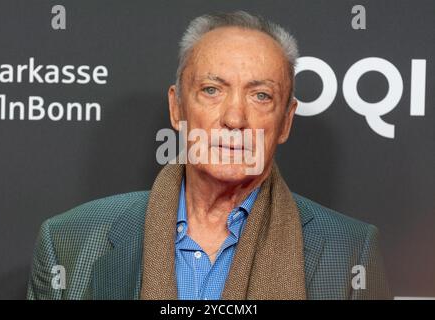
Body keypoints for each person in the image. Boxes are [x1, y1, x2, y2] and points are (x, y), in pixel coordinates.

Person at [27, 11, 390, 300]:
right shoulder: (69, 241)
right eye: (212, 90)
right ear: (177, 108)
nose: (234, 119)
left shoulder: (350, 252)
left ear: (286, 121)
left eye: (261, 95)